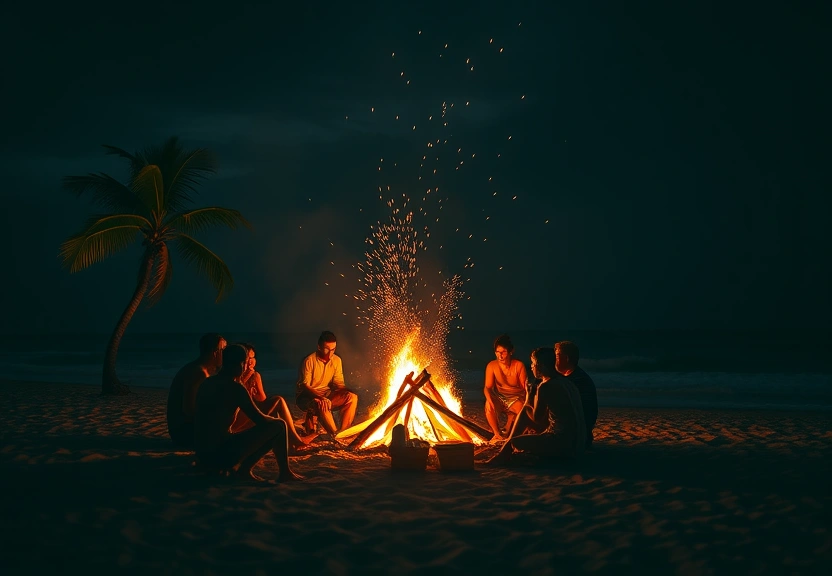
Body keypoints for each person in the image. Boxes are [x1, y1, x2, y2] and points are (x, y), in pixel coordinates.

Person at [194, 344, 303, 482]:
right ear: (240, 365)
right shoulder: (236, 388)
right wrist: (276, 420)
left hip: (202, 454)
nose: (246, 367)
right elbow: (260, 420)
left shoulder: (207, 383)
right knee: (279, 426)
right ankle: (277, 472)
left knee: (275, 424)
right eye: (245, 363)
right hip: (220, 455)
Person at [486, 347, 585, 465]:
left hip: (563, 445)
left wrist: (528, 397)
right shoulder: (567, 382)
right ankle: (505, 451)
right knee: (525, 413)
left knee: (515, 438)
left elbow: (536, 418)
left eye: (533, 363)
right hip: (579, 444)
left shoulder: (546, 386)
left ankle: (504, 452)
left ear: (540, 366)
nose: (531, 367)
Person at [230, 343, 317, 449]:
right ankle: (294, 440)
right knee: (278, 401)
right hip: (234, 426)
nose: (250, 362)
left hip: (249, 420)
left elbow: (262, 400)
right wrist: (248, 378)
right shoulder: (234, 377)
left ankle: (291, 439)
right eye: (247, 358)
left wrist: (254, 391)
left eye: (252, 358)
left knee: (276, 404)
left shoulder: (254, 376)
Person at [166, 333, 226, 448]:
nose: (226, 354)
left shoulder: (198, 369)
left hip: (184, 431)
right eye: (223, 349)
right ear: (215, 352)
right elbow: (189, 410)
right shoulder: (198, 373)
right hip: (185, 435)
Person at [295, 331, 358, 435]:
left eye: (333, 350)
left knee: (352, 397)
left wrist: (345, 391)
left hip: (326, 395)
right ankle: (334, 434)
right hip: (306, 397)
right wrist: (320, 397)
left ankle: (344, 432)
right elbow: (305, 386)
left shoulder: (337, 360)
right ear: (319, 347)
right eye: (327, 349)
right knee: (322, 403)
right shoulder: (309, 360)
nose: (330, 353)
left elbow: (339, 383)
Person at [484, 334, 529, 440]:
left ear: (511, 352)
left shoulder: (519, 365)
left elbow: (525, 388)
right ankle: (497, 434)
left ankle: (512, 429)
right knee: (488, 406)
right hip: (500, 397)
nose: (500, 356)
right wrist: (489, 399)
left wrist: (527, 402)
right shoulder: (492, 366)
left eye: (503, 352)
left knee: (522, 412)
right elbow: (487, 387)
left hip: (516, 398)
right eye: (497, 352)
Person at [555, 341, 598, 447]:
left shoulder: (576, 381)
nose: (554, 360)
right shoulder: (571, 377)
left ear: (567, 358)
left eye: (557, 356)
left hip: (576, 432)